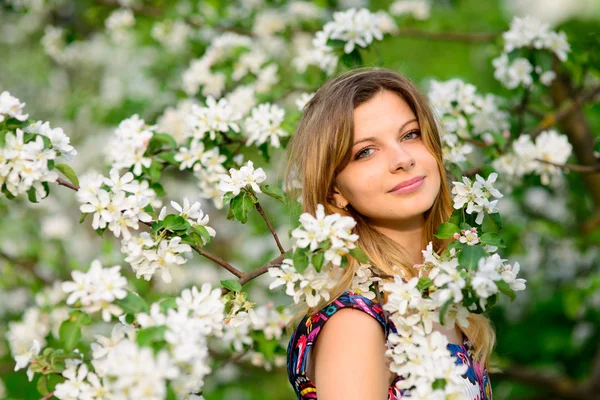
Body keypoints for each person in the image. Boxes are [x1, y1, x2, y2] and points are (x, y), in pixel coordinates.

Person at [284, 68, 495, 400]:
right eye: (365, 151)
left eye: (410, 134)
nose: (402, 159)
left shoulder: (442, 295)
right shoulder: (357, 322)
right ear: (334, 190)